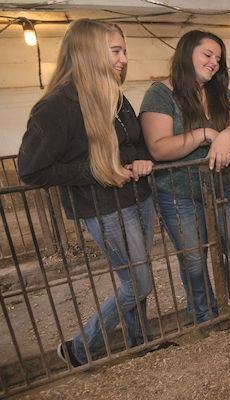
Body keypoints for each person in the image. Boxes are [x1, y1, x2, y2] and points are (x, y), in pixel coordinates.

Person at [18, 19, 155, 367]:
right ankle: (80, 348)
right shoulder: (55, 108)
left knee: (137, 276)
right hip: (104, 207)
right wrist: (93, 171)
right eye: (116, 51)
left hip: (139, 197)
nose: (124, 59)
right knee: (138, 282)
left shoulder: (115, 95)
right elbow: (31, 170)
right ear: (89, 53)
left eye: (124, 51)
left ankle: (140, 340)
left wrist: (140, 160)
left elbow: (135, 142)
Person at [140, 30, 230, 323]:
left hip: (221, 186)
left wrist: (226, 135)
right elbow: (158, 147)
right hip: (178, 194)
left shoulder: (220, 92)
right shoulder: (160, 94)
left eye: (218, 58)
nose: (214, 62)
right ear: (186, 53)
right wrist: (204, 134)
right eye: (208, 55)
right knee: (193, 259)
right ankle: (206, 316)